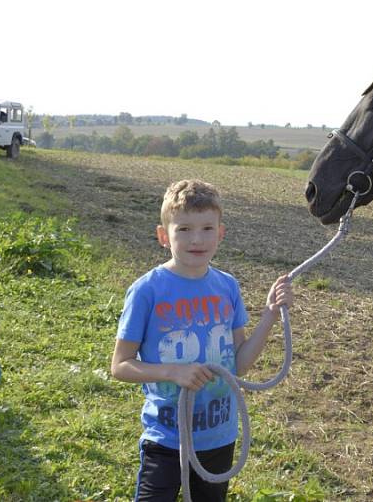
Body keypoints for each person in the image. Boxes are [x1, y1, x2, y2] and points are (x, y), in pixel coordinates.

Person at [110, 179, 293, 501]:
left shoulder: (227, 287)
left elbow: (238, 365)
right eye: (184, 229)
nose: (197, 239)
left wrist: (270, 314)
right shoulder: (147, 291)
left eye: (207, 228)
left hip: (218, 437)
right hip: (166, 438)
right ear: (163, 236)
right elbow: (120, 365)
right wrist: (172, 372)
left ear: (220, 234)